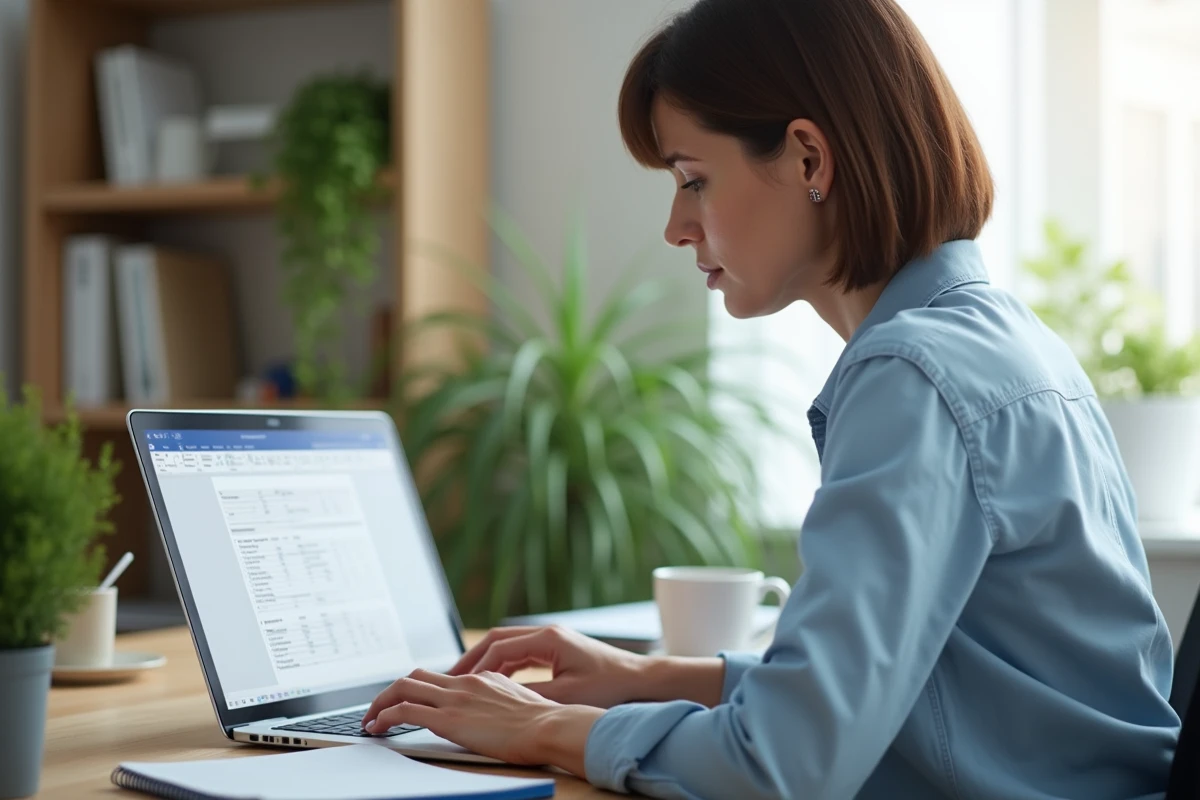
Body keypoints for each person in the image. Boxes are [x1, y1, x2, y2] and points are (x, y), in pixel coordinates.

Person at [361, 0, 1182, 796]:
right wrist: (645, 677)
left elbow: (783, 766)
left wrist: (540, 728)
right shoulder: (1003, 338)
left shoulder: (914, 375)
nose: (676, 227)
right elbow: (916, 697)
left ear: (809, 160)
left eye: (693, 180)